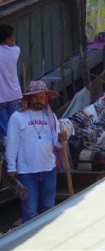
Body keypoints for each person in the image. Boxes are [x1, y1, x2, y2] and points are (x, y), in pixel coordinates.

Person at [5, 81, 68, 222]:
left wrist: (61, 138)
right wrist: (11, 167)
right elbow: (12, 144)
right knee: (30, 210)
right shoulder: (17, 117)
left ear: (46, 98)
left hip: (48, 169)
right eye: (35, 97)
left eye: (41, 97)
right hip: (27, 172)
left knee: (48, 208)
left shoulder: (51, 117)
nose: (39, 100)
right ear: (28, 98)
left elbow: (56, 143)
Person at [0, 25, 21, 143]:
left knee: (4, 129)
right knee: (14, 125)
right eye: (12, 36)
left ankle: (5, 152)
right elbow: (14, 46)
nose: (14, 38)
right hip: (13, 94)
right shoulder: (16, 51)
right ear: (7, 39)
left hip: (1, 96)